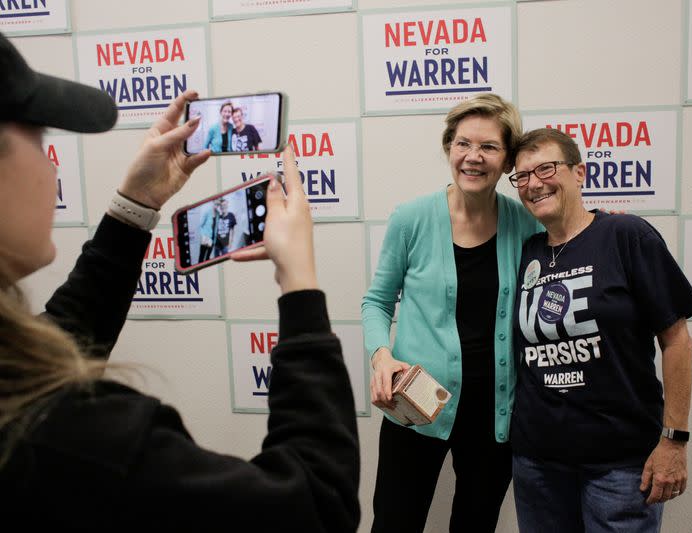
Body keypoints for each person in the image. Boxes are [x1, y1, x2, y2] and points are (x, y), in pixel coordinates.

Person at [0, 32, 360, 530]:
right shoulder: (73, 435)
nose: (49, 166)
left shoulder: (17, 380)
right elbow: (316, 505)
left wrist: (137, 203)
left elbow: (60, 341)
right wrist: (300, 285)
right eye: (39, 139)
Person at [362, 93, 544, 533]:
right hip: (416, 402)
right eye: (463, 144)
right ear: (449, 148)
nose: (473, 157)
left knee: (476, 524)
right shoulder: (412, 218)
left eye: (489, 147)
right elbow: (377, 302)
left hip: (496, 412)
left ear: (506, 162)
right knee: (394, 521)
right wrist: (380, 356)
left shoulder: (526, 224)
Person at [508, 127, 692, 532]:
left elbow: (678, 341)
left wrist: (674, 440)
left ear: (580, 173)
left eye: (546, 168)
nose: (533, 183)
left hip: (621, 466)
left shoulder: (626, 235)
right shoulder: (528, 252)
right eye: (522, 176)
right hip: (538, 464)